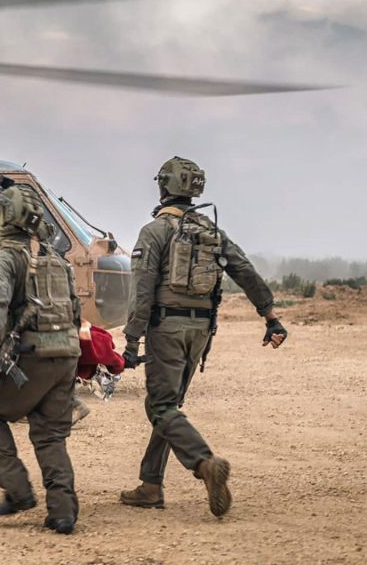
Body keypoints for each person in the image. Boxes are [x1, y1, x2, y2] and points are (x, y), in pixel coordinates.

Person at [120, 156, 288, 518]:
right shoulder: (211, 232)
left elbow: (142, 291)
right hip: (201, 331)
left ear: (164, 186)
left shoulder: (155, 231)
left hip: (167, 329)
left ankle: (205, 463)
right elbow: (244, 270)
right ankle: (150, 485)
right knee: (169, 409)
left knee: (161, 408)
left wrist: (132, 341)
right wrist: (270, 317)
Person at [0, 179, 81, 535]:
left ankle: (18, 491)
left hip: (31, 355)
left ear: (5, 217)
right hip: (67, 355)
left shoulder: (6, 260)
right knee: (50, 436)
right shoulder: (56, 260)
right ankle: (63, 512)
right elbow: (75, 311)